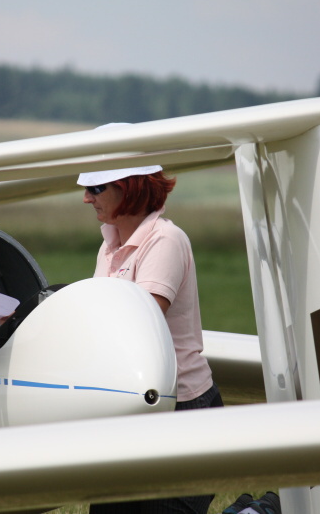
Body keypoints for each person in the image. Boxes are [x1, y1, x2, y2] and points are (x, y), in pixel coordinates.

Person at [78, 162, 223, 514]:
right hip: (131, 405)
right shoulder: (110, 244)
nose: (86, 198)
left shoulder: (165, 240)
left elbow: (140, 323)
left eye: (96, 189)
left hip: (180, 407)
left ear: (129, 188)